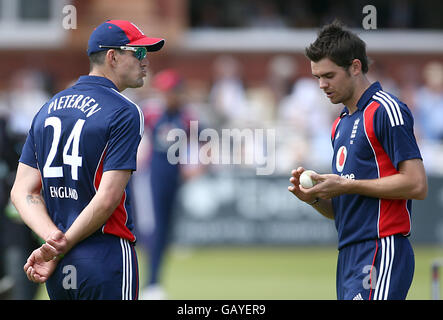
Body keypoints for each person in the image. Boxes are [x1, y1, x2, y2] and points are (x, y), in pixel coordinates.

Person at [10, 20, 165, 300]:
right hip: (105, 255)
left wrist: (53, 242)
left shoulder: (48, 108)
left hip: (60, 263)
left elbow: (21, 190)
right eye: (139, 53)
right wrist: (61, 244)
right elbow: (107, 199)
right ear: (112, 56)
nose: (146, 62)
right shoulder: (125, 111)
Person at [288, 20, 427, 300]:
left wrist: (348, 186)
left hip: (382, 248)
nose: (322, 85)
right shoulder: (339, 124)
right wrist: (315, 198)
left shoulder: (386, 110)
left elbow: (416, 184)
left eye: (328, 75)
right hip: (349, 253)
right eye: (317, 77)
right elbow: (342, 209)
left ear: (355, 67)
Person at [138, 69, 202, 299]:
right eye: (164, 92)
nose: (167, 96)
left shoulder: (186, 117)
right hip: (151, 178)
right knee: (153, 231)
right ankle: (150, 283)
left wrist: (197, 166)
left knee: (165, 231)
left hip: (174, 178)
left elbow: (207, 142)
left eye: (170, 91)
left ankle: (154, 283)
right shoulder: (152, 114)